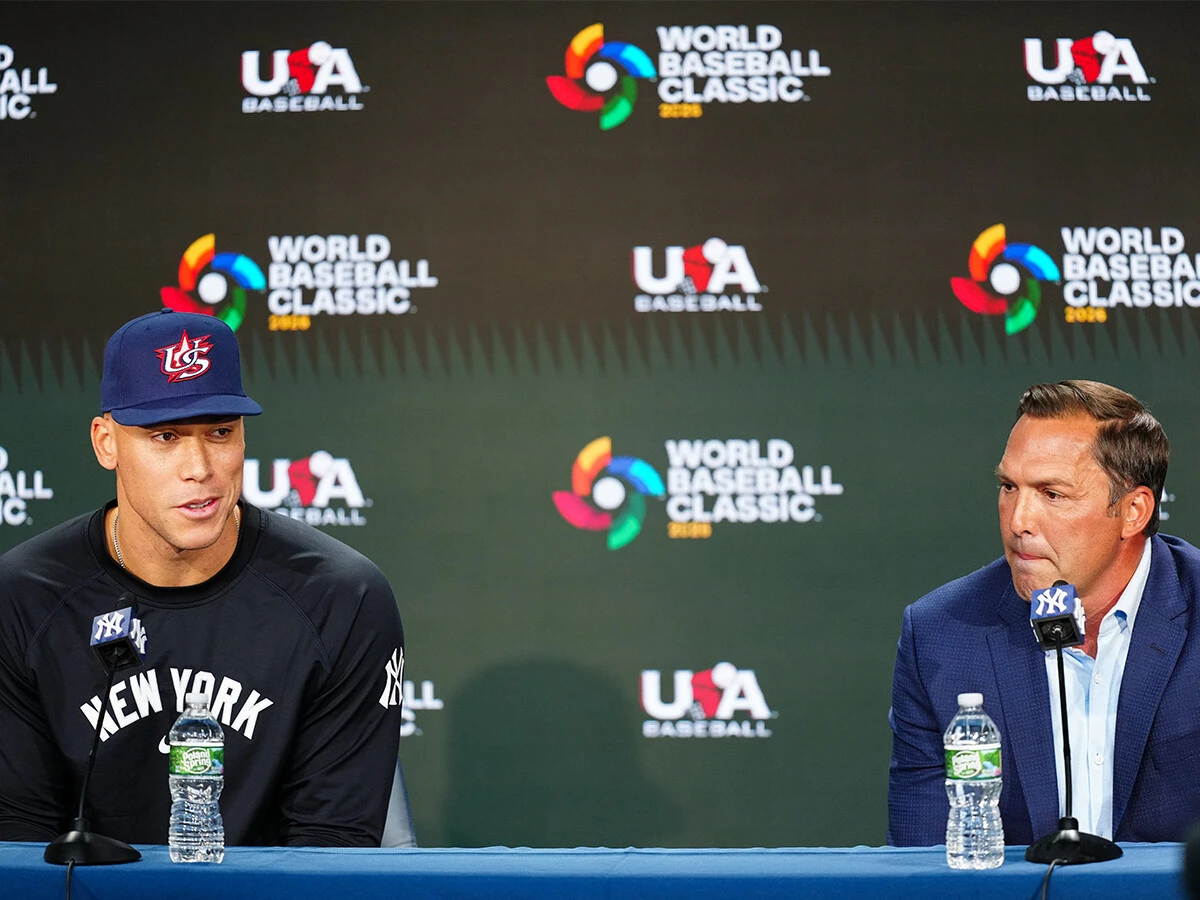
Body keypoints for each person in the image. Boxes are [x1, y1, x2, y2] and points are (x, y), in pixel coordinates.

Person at [0, 308, 405, 847]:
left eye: (220, 431)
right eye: (165, 436)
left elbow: (329, 851)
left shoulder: (341, 598)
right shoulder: (23, 598)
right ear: (106, 443)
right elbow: (16, 847)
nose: (200, 467)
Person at [887, 379, 1200, 846]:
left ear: (1134, 511)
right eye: (1009, 487)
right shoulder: (941, 634)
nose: (1018, 521)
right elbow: (923, 862)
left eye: (1052, 494)